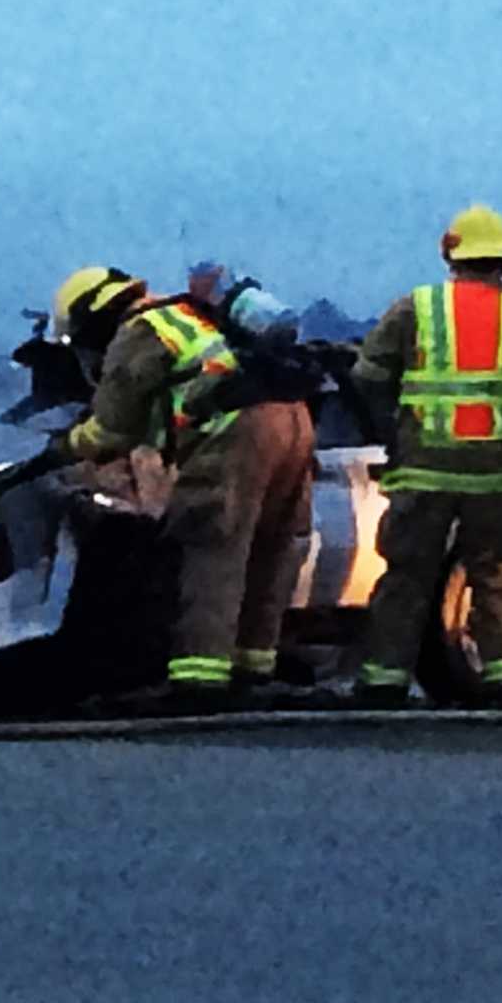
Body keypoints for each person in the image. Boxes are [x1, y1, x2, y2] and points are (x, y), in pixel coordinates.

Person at [48, 264, 316, 713]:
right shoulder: (190, 313)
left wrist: (64, 448)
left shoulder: (138, 332)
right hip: (292, 419)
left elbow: (110, 430)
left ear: (91, 317)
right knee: (269, 546)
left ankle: (200, 678)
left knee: (212, 545)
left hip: (235, 426)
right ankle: (253, 670)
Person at [346, 206, 502, 708]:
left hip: (425, 470)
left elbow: (367, 376)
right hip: (500, 476)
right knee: (499, 576)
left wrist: (392, 431)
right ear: (501, 260)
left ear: (452, 253)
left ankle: (383, 681)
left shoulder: (416, 308)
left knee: (406, 577)